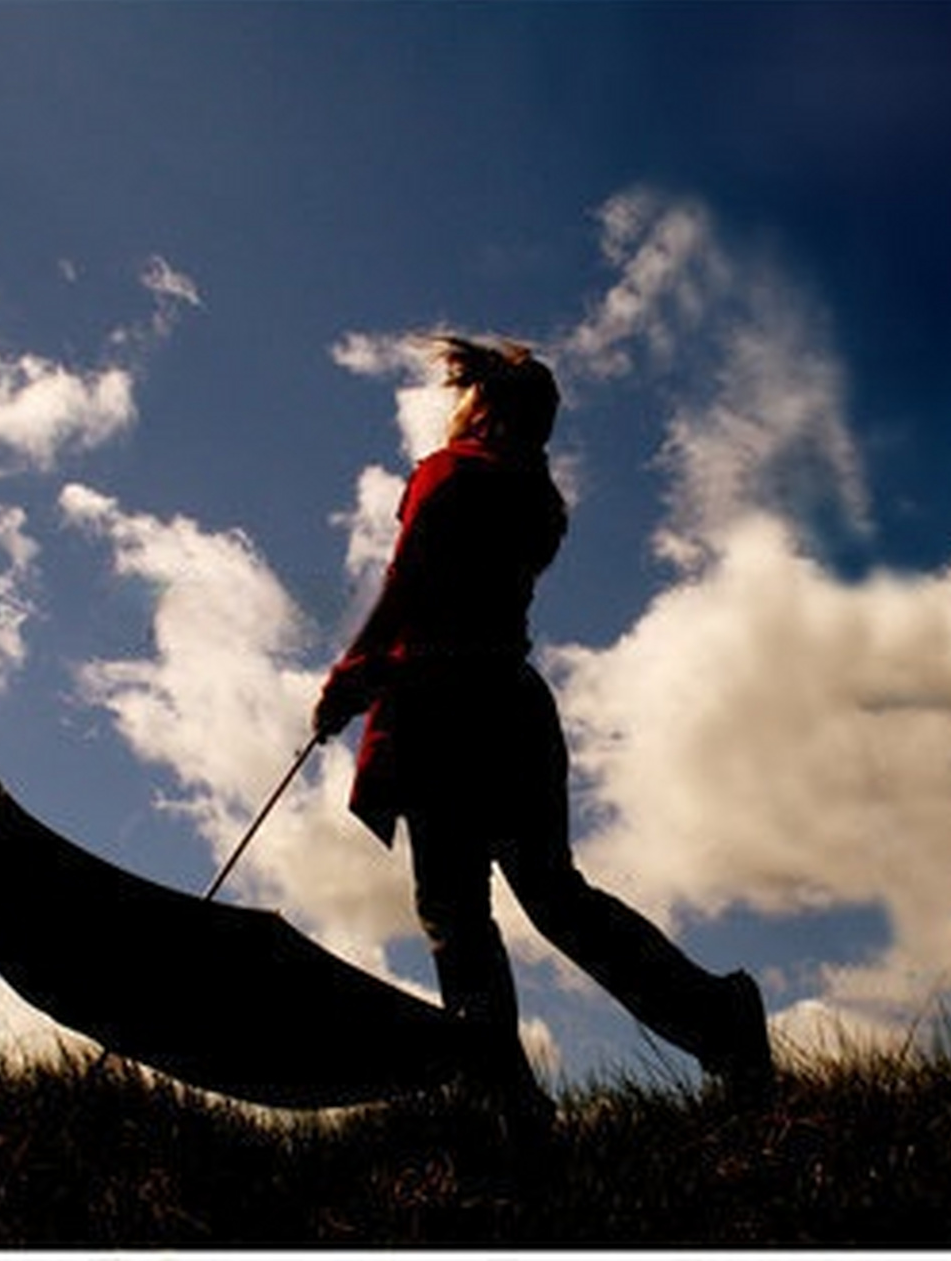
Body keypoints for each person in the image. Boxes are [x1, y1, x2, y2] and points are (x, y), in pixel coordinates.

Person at [313, 335, 774, 1117]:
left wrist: (349, 677)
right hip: (514, 703)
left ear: (482, 408)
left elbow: (408, 585)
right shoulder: (536, 500)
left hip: (445, 707)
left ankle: (505, 1104)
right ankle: (719, 1019)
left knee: (457, 914)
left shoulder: (450, 475)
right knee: (557, 898)